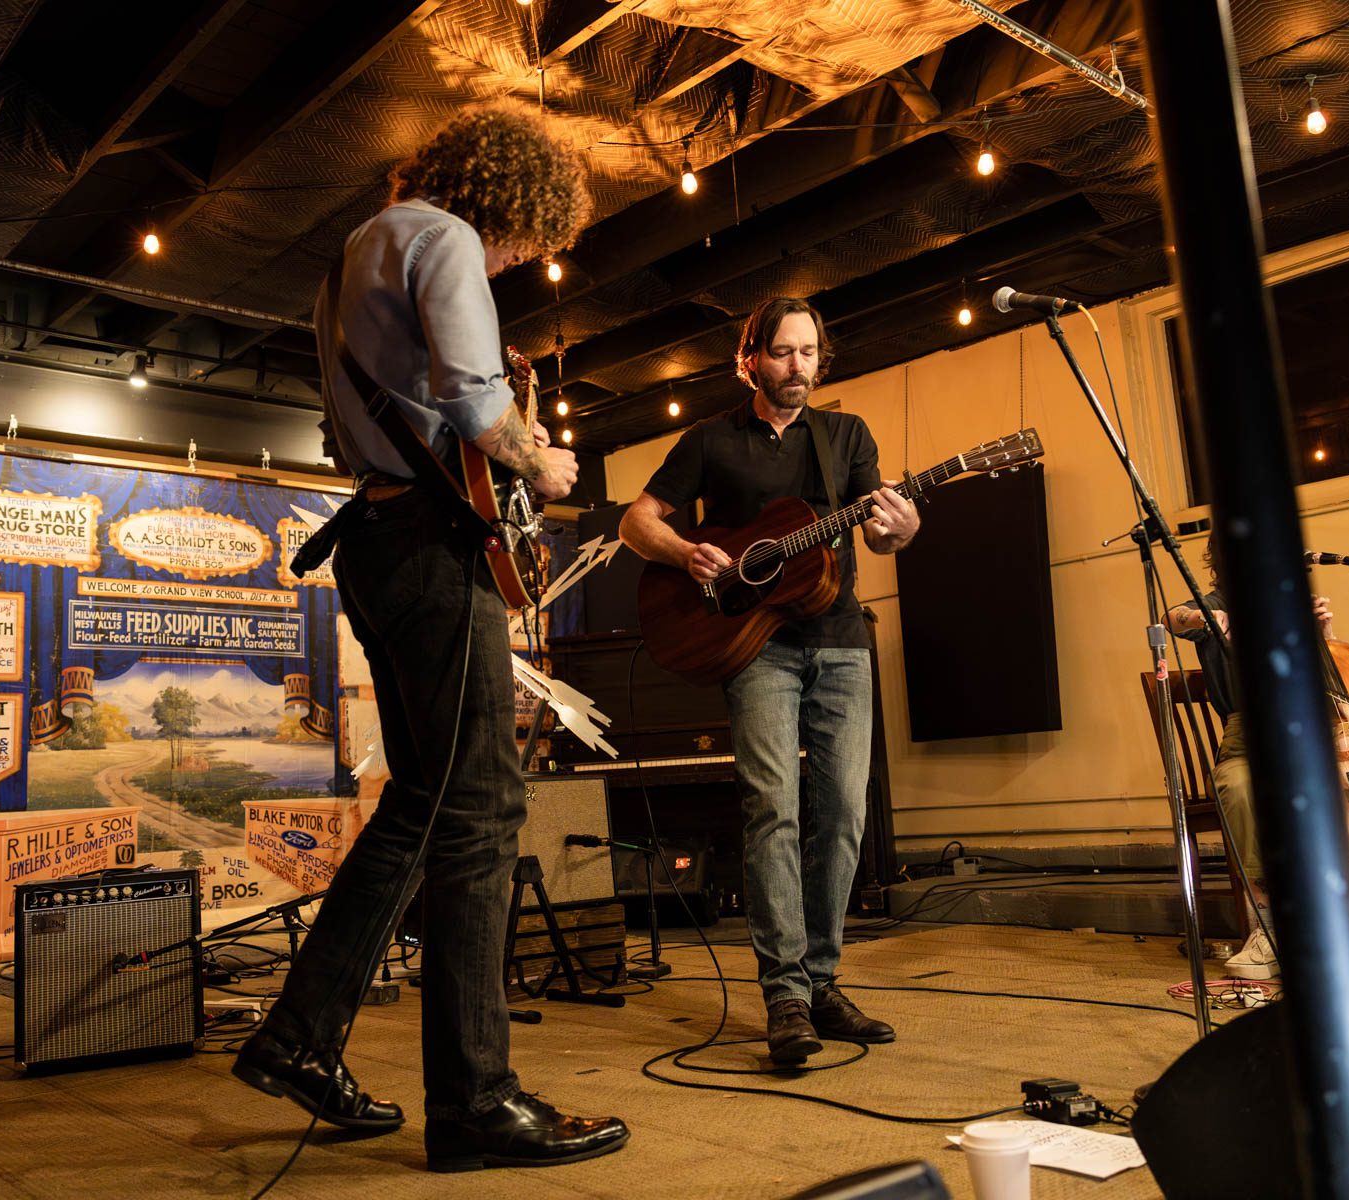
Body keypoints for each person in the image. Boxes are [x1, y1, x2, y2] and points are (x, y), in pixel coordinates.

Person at [233, 104, 630, 1172]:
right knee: (485, 809)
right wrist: (537, 461)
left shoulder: (356, 254)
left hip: (376, 542)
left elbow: (383, 407)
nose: (514, 261)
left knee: (422, 801)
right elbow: (469, 397)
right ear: (511, 202)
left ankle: (299, 1037)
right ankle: (474, 1101)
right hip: (425, 552)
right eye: (525, 245)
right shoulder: (442, 237)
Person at [619, 297, 919, 1064]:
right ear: (749, 358)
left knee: (844, 813)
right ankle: (785, 993)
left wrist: (898, 530)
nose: (799, 369)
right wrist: (685, 551)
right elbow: (637, 521)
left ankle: (823, 981)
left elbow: (878, 535)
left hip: (841, 639)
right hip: (755, 647)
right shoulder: (711, 439)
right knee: (771, 811)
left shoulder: (844, 435)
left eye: (810, 354)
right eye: (783, 353)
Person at [1164, 540, 1335, 981]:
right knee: (1238, 786)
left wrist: (1325, 632)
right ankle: (1267, 928)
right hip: (1249, 737)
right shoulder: (1219, 603)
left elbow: (1333, 678)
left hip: (1318, 733)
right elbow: (1171, 617)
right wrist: (1206, 617)